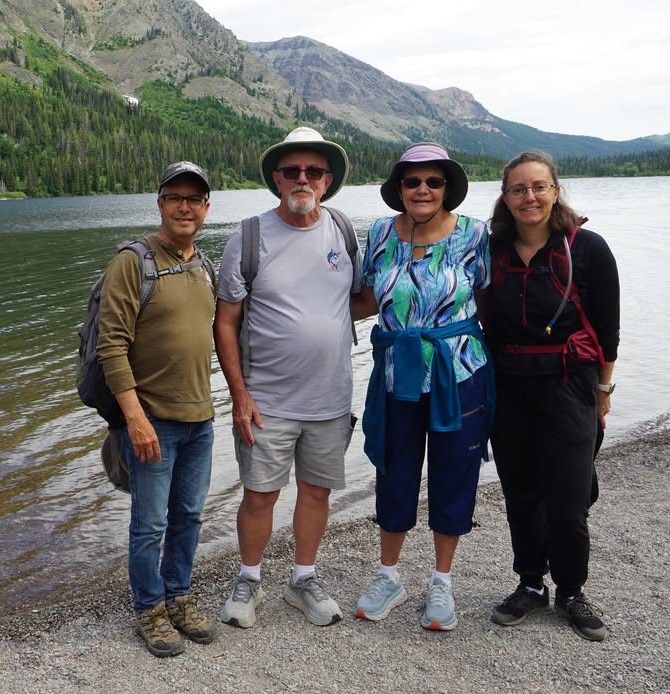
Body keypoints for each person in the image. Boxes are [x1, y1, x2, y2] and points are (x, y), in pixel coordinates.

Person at [214, 127, 366, 628]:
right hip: (267, 400)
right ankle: (249, 578)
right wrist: (239, 395)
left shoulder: (343, 231)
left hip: (331, 396)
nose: (303, 178)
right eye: (292, 171)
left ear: (327, 181)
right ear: (277, 179)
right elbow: (226, 321)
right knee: (260, 494)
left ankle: (303, 579)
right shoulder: (250, 236)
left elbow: (358, 301)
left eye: (314, 171)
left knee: (317, 491)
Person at [354, 142, 493, 632]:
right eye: (412, 181)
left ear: (447, 188)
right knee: (394, 471)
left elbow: (491, 297)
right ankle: (389, 575)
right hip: (397, 374)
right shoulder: (376, 235)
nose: (423, 189)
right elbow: (364, 299)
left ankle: (441, 580)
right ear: (398, 188)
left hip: (460, 374)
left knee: (454, 472)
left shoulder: (475, 234)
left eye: (433, 182)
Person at [484, 150, 619, 641]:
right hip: (509, 385)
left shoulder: (587, 248)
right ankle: (529, 584)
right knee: (520, 493)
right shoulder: (493, 250)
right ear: (505, 197)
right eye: (518, 189)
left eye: (538, 187)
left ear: (555, 190)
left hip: (569, 385)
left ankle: (572, 590)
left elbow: (608, 331)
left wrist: (603, 391)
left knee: (567, 498)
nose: (529, 197)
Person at [96, 161, 217, 657]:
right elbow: (111, 346)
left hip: (201, 421)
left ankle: (178, 597)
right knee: (150, 523)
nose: (184, 206)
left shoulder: (203, 265)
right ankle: (149, 609)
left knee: (188, 515)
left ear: (207, 208)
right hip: (152, 422)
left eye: (194, 198)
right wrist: (135, 418)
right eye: (175, 197)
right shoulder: (134, 261)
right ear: (160, 204)